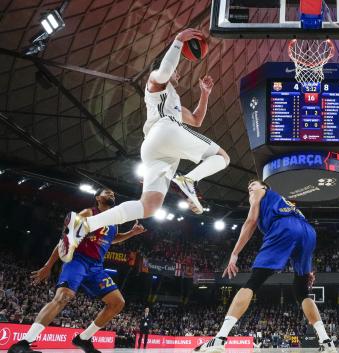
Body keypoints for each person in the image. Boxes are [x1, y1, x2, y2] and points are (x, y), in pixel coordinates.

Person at [59, 28, 229, 263]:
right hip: (164, 131)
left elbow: (197, 120)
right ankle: (189, 180)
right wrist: (179, 40)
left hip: (156, 149)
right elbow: (166, 70)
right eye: (175, 70)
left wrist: (205, 94)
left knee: (149, 207)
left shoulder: (175, 102)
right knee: (221, 157)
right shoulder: (155, 84)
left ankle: (84, 224)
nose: (177, 73)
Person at [194, 180, 336, 353]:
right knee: (301, 291)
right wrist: (306, 271)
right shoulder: (284, 201)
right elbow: (297, 233)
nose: (249, 188)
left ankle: (220, 338)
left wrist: (235, 253)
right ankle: (326, 341)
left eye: (252, 184)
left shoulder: (260, 193)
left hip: (284, 227)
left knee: (254, 281)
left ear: (264, 187)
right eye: (248, 187)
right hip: (308, 231)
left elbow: (251, 221)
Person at [8, 188, 146, 353]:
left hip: (96, 267)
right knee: (63, 297)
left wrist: (131, 233)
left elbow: (112, 239)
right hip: (78, 261)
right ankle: (23, 343)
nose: (111, 195)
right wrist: (48, 266)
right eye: (107, 193)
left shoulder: (114, 222)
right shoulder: (88, 213)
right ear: (97, 198)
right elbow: (65, 239)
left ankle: (83, 339)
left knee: (117, 303)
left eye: (113, 194)